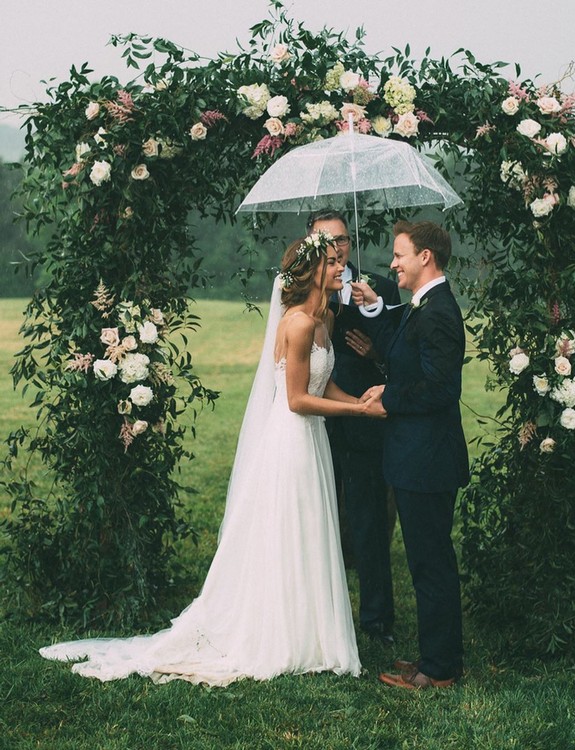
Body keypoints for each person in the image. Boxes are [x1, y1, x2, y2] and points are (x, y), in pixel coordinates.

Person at [39, 231, 385, 686]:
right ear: (312, 272)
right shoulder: (299, 324)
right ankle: (277, 635)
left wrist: (358, 398)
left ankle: (313, 634)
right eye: (334, 263)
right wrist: (358, 410)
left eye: (341, 261)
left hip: (313, 441)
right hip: (292, 440)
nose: (343, 266)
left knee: (310, 532)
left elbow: (323, 385)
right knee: (289, 532)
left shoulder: (324, 321)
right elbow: (297, 400)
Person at [351, 220, 469, 689]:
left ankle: (438, 669)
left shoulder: (438, 311)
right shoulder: (424, 306)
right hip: (417, 458)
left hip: (428, 461)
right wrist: (388, 379)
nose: (392, 263)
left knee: (431, 564)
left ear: (426, 257)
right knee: (427, 562)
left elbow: (440, 389)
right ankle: (434, 656)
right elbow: (409, 361)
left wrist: (389, 397)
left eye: (399, 254)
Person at [307, 209, 400, 646]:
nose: (336, 248)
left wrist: (373, 355)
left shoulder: (378, 286)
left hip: (364, 420)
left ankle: (377, 620)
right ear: (309, 243)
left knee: (368, 521)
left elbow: (402, 353)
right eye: (325, 240)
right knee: (314, 518)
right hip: (315, 421)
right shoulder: (302, 292)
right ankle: (318, 614)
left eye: (342, 239)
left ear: (351, 240)